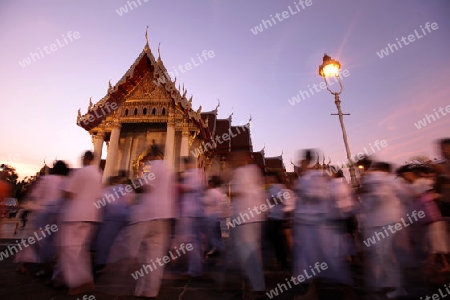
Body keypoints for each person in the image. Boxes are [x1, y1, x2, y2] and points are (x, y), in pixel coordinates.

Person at [129, 145, 176, 298]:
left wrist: (139, 173)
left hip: (147, 215)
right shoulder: (169, 169)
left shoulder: (151, 167)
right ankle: (151, 291)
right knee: (155, 257)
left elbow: (142, 186)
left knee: (142, 254)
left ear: (151, 155)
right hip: (164, 216)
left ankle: (141, 288)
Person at [359, 162, 409, 299]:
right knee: (379, 255)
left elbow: (381, 197)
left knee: (385, 255)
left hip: (387, 223)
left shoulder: (387, 180)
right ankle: (382, 284)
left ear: (382, 170)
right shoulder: (386, 181)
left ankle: (396, 287)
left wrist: (370, 189)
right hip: (377, 224)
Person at [58, 151, 103, 295]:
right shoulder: (98, 174)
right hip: (91, 215)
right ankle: (75, 279)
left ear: (87, 159)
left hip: (76, 215)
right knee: (78, 250)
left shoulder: (80, 172)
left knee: (68, 249)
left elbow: (69, 193)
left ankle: (83, 281)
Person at [227, 150, 266, 299]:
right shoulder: (254, 171)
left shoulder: (241, 171)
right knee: (251, 251)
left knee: (247, 252)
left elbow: (238, 192)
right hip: (253, 217)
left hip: (245, 217)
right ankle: (255, 283)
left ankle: (257, 288)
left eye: (236, 158)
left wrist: (229, 192)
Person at [178, 156, 205, 277]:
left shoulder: (195, 173)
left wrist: (178, 187)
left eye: (186, 164)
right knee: (193, 241)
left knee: (191, 241)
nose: (185, 166)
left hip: (192, 212)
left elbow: (192, 188)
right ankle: (195, 266)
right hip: (193, 211)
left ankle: (194, 270)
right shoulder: (193, 173)